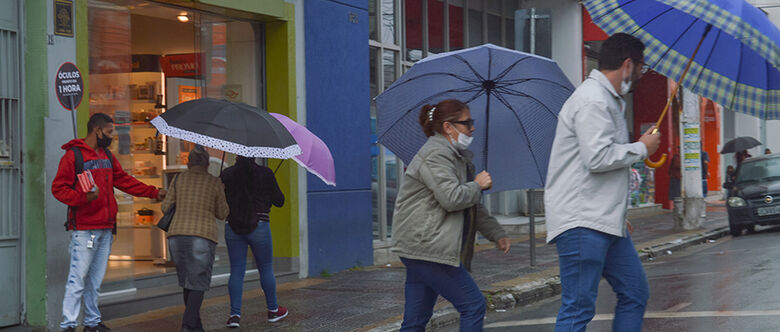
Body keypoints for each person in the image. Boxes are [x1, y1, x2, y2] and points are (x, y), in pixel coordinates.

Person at [544, 33, 661, 332]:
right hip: (582, 222)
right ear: (627, 65)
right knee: (578, 307)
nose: (639, 75)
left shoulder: (608, 100)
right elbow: (597, 158)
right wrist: (641, 148)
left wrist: (617, 212)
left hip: (605, 222)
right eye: (640, 68)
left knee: (635, 292)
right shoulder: (592, 100)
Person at [391, 99, 511, 332]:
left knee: (415, 320)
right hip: (427, 247)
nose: (473, 128)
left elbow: (471, 204)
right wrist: (477, 184)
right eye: (467, 123)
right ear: (448, 127)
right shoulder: (436, 154)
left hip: (422, 247)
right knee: (473, 305)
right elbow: (453, 198)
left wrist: (496, 233)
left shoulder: (457, 156)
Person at [52, 113, 166, 332]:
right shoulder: (73, 156)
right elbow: (58, 188)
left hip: (105, 227)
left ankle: (92, 323)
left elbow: (123, 180)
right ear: (98, 130)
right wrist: (83, 198)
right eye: (110, 131)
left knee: (94, 281)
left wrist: (153, 192)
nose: (112, 136)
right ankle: (68, 325)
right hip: (85, 229)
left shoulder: (105, 154)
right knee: (78, 279)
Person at [162, 146, 229, 332]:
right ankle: (187, 325)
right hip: (202, 237)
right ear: (207, 164)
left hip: (177, 236)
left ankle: (196, 326)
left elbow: (165, 207)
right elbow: (223, 213)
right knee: (198, 283)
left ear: (188, 162)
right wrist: (220, 191)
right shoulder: (214, 182)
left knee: (187, 282)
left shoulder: (178, 179)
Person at [220, 156, 289, 327]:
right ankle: (273, 310)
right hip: (259, 225)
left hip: (233, 227)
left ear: (237, 154)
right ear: (254, 154)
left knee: (236, 271)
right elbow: (279, 201)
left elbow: (221, 199)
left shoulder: (227, 174)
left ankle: (234, 316)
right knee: (265, 268)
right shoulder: (265, 173)